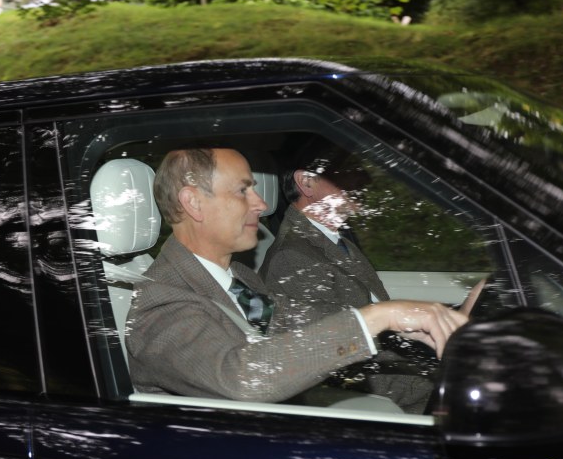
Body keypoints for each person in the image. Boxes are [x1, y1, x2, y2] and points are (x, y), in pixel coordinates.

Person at [125, 147, 468, 409]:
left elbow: (293, 320)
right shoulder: (160, 304)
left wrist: (401, 324)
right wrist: (377, 316)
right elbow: (242, 379)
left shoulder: (236, 277)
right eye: (242, 191)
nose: (260, 204)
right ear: (194, 203)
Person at [259, 139, 386, 321]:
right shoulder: (291, 259)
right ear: (307, 182)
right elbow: (331, 342)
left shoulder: (340, 242)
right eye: (348, 168)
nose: (366, 178)